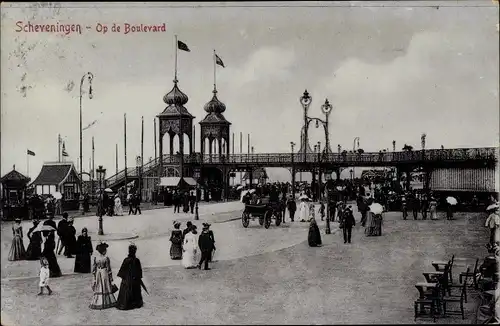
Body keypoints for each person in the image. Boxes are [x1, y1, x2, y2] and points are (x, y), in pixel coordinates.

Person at [116, 243, 144, 310]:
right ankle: (136, 303)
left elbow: (122, 270)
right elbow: (139, 271)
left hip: (127, 280)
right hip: (135, 280)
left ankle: (125, 303)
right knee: (135, 289)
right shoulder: (137, 260)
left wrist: (123, 277)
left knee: (126, 289)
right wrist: (138, 277)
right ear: (135, 251)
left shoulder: (126, 260)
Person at [90, 242, 117, 309]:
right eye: (105, 250)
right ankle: (107, 301)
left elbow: (93, 268)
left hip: (98, 273)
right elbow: (109, 269)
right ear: (103, 251)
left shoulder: (96, 258)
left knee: (99, 286)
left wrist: (94, 276)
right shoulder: (106, 258)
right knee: (106, 286)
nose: (106, 251)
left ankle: (98, 301)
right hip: (104, 272)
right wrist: (111, 278)